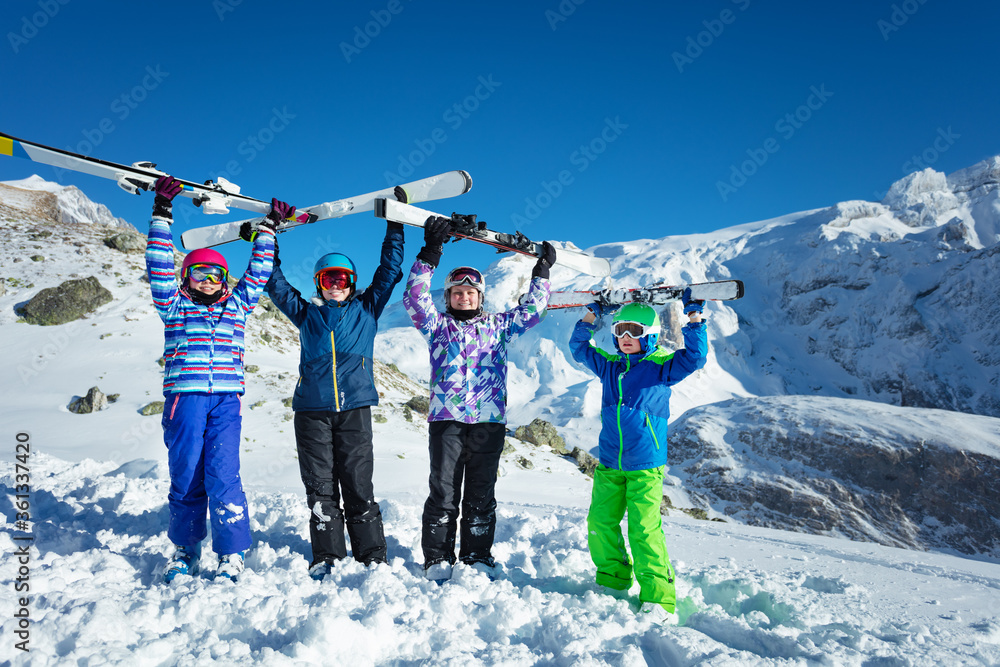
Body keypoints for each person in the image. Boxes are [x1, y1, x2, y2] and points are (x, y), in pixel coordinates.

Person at [146, 175, 289, 583]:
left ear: (224, 281)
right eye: (198, 274)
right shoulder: (173, 307)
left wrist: (268, 231)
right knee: (187, 472)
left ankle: (231, 552)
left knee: (224, 474)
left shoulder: (237, 307)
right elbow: (158, 265)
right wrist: (161, 213)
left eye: (214, 275)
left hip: (226, 401)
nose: (207, 282)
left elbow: (258, 273)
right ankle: (186, 548)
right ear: (185, 278)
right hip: (184, 402)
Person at [402, 216, 556, 581]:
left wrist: (542, 274)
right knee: (443, 492)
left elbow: (532, 312)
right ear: (449, 297)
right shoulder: (437, 327)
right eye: (457, 292)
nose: (464, 296)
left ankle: (476, 556)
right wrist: (430, 252)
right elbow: (413, 297)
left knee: (481, 494)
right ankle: (437, 557)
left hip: (489, 423)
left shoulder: (498, 326)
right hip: (447, 422)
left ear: (480, 296)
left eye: (470, 292)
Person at [265, 213, 405, 579]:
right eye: (329, 279)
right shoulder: (306, 314)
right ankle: (327, 556)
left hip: (354, 411)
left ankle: (372, 555)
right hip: (311, 413)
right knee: (320, 489)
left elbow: (388, 271)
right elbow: (275, 283)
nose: (336, 285)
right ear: (319, 283)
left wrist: (396, 224)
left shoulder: (367, 309)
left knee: (359, 486)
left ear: (352, 283)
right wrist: (268, 239)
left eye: (342, 279)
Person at [568, 291, 708, 615]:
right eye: (620, 331)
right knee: (600, 522)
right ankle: (613, 581)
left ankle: (659, 598)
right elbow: (579, 348)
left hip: (645, 465)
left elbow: (695, 358)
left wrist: (694, 318)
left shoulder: (659, 366)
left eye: (633, 330)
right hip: (609, 462)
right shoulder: (610, 366)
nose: (626, 337)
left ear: (650, 334)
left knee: (644, 529)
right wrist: (591, 315)